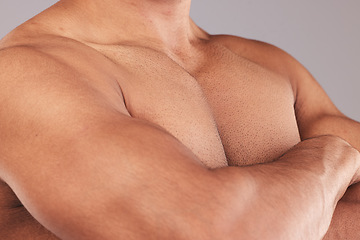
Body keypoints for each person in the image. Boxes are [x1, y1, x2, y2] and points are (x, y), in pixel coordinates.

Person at [0, 0, 359, 239]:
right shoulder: (24, 71)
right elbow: (210, 233)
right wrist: (330, 157)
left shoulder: (271, 65)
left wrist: (278, 221)